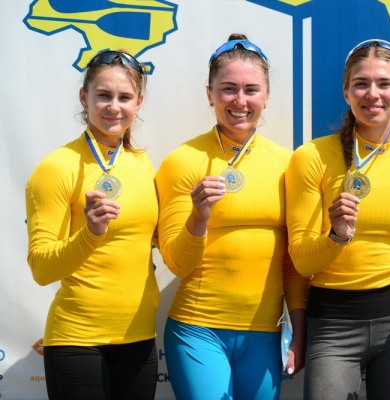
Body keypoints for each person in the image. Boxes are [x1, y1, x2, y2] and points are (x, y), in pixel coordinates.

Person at [285, 39, 390, 400]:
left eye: (385, 83)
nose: (372, 94)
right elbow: (302, 261)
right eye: (361, 83)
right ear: (346, 92)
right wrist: (337, 237)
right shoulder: (311, 156)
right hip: (331, 327)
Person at [155, 33, 310, 400]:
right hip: (197, 330)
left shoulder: (288, 164)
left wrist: (299, 331)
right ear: (210, 94)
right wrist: (198, 217)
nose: (240, 101)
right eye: (228, 89)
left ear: (266, 96)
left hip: (265, 336)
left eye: (251, 90)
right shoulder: (183, 161)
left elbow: (293, 263)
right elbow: (176, 262)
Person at [25, 50, 159, 400]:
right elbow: (41, 269)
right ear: (84, 97)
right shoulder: (57, 167)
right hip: (77, 341)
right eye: (103, 95)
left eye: (124, 97)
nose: (114, 107)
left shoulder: (143, 165)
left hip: (140, 339)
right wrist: (90, 234)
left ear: (139, 103)